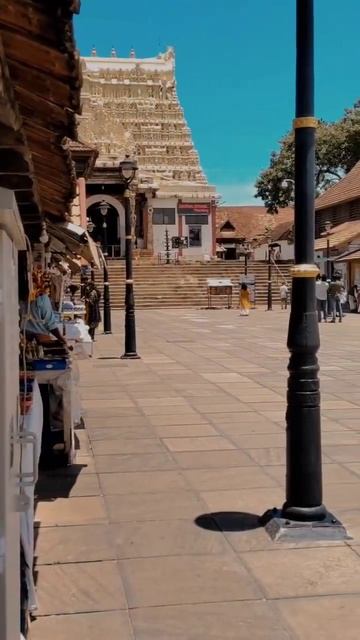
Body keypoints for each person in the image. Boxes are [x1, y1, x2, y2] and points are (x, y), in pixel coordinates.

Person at [20, 271, 68, 348]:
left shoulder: (19, 299)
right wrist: (61, 339)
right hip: (40, 340)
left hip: (24, 338)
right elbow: (50, 324)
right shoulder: (42, 298)